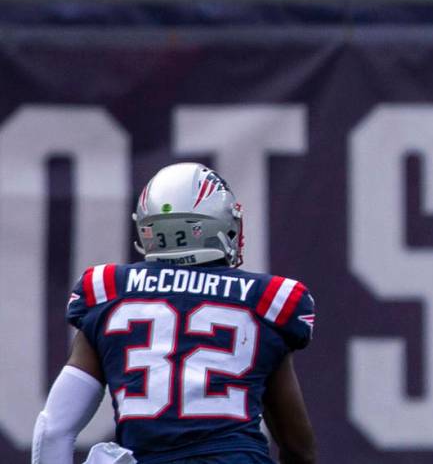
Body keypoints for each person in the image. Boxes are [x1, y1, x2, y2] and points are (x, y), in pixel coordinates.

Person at [31, 163, 316, 464]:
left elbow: (53, 430)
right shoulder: (266, 300)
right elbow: (298, 447)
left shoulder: (108, 292)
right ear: (218, 224)